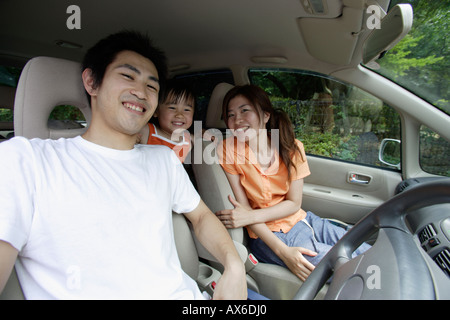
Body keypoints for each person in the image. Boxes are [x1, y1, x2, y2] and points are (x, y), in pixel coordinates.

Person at [0, 30, 246, 300]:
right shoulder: (24, 160)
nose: (140, 92)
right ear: (92, 82)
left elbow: (201, 216)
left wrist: (233, 266)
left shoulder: (163, 160)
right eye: (128, 76)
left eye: (151, 86)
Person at [215, 85, 369, 281]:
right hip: (269, 235)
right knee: (353, 267)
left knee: (364, 247)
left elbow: (294, 203)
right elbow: (243, 209)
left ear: (265, 115)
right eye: (230, 115)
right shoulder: (227, 149)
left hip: (303, 219)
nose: (237, 120)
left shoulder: (292, 147)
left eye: (245, 110)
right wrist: (283, 252)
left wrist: (249, 216)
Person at [138, 79, 194, 163]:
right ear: (156, 111)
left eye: (186, 110)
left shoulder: (188, 139)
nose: (179, 115)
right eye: (172, 108)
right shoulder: (146, 131)